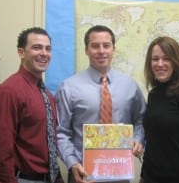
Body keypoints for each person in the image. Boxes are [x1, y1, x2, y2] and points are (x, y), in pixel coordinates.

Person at [55, 25, 146, 183]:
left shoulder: (130, 85)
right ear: (86, 50)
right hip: (83, 175)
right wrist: (72, 163)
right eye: (95, 46)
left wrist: (138, 138)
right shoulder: (69, 87)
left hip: (119, 174)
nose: (101, 51)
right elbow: (61, 132)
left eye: (106, 45)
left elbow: (141, 119)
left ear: (114, 49)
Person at [0, 27, 64, 183]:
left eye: (48, 49)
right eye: (37, 47)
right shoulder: (8, 92)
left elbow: (48, 143)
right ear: (21, 52)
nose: (44, 53)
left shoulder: (46, 94)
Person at [140, 36, 179, 183]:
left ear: (176, 62)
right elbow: (153, 142)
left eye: (166, 58)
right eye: (155, 59)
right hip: (151, 177)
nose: (160, 64)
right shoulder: (153, 94)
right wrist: (144, 175)